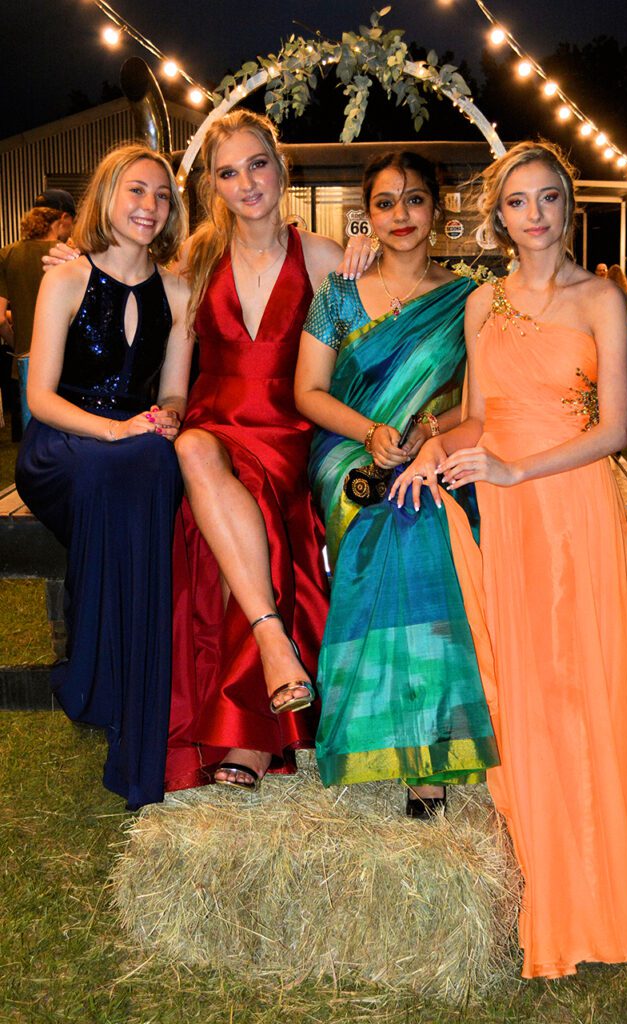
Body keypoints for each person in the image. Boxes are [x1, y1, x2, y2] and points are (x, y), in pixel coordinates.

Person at [392, 141, 627, 974]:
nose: (535, 215)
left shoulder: (601, 297)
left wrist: (518, 470)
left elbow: (614, 429)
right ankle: (545, 870)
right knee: (530, 688)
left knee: (586, 684)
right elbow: (481, 417)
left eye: (548, 198)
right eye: (518, 202)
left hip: (575, 506)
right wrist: (431, 447)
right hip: (511, 515)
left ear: (568, 205)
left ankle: (606, 886)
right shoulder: (483, 305)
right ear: (499, 215)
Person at [165, 110, 374, 793]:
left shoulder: (322, 257)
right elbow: (173, 374)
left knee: (239, 499)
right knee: (195, 451)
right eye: (228, 172)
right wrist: (72, 261)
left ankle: (248, 727)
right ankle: (271, 641)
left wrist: (371, 250)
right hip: (212, 428)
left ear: (281, 168)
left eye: (257, 164)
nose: (247, 182)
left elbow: (372, 348)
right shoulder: (194, 259)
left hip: (288, 437)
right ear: (213, 185)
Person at [295, 151, 499, 817]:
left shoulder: (467, 298)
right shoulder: (339, 294)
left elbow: (479, 404)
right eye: (385, 203)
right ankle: (383, 728)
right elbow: (308, 392)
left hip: (435, 448)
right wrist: (372, 433)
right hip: (347, 450)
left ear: (436, 209)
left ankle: (428, 750)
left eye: (414, 200)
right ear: (368, 216)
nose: (401, 215)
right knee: (387, 512)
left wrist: (426, 434)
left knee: (422, 513)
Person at [15, 146, 192, 810]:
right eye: (136, 191)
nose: (150, 206)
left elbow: (173, 392)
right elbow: (40, 398)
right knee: (120, 470)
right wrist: (115, 431)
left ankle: (118, 694)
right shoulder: (66, 278)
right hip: (62, 443)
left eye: (162, 195)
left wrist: (168, 416)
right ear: (108, 197)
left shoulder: (179, 292)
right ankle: (100, 678)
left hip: (133, 443)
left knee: (155, 462)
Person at [0, 189, 76, 438]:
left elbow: (0, 319)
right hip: (68, 366)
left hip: (25, 366)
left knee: (31, 443)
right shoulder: (73, 258)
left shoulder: (8, 254)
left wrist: (20, 345)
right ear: (64, 218)